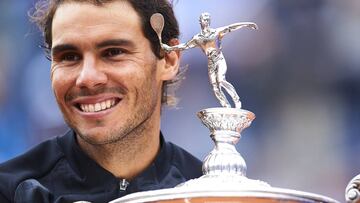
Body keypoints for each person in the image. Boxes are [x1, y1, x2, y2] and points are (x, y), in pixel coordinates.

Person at [0, 0, 202, 202]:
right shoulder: (11, 191)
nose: (87, 78)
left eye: (113, 52)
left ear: (168, 60)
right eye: (69, 56)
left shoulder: (214, 193)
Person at [162, 12, 257, 109]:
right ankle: (226, 107)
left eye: (208, 19)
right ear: (201, 22)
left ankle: (236, 100)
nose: (206, 21)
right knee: (216, 88)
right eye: (204, 19)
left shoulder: (215, 32)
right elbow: (185, 46)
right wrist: (169, 48)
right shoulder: (198, 38)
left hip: (219, 59)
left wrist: (247, 24)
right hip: (211, 62)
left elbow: (230, 28)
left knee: (221, 81)